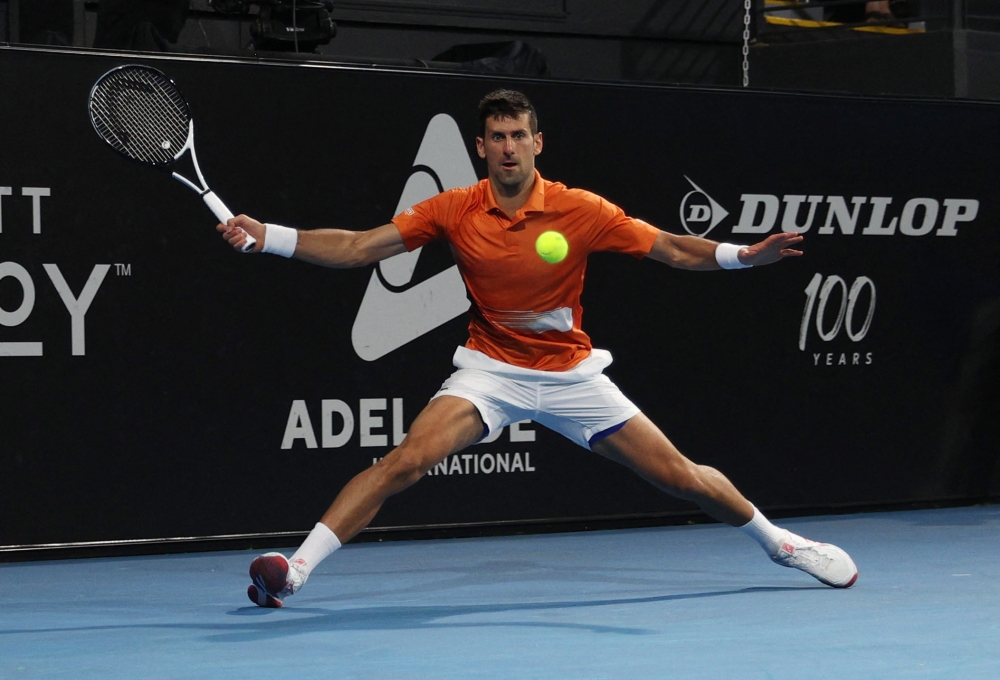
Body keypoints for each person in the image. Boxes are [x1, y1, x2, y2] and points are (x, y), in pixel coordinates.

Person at [219, 89, 859, 608]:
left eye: (518, 135)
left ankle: (780, 545)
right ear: (479, 147)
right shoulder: (453, 209)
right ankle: (295, 570)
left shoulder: (581, 210)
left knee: (679, 476)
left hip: (571, 374)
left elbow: (667, 246)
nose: (507, 147)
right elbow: (360, 247)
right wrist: (271, 236)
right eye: (496, 137)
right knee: (406, 461)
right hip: (491, 370)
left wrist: (741, 257)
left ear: (537, 143)